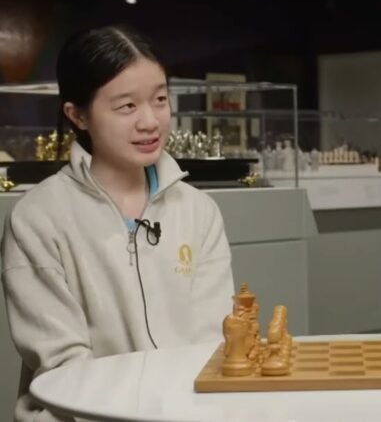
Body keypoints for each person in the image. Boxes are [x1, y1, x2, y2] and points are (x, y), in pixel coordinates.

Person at [1, 25, 235, 421]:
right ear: (78, 115)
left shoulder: (198, 211)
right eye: (127, 106)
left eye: (160, 99)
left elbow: (210, 345)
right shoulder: (38, 219)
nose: (150, 121)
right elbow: (65, 368)